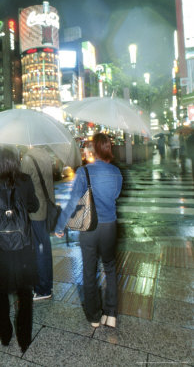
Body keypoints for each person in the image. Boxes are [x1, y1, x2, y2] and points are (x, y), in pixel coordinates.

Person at [55, 133, 123, 328]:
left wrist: (61, 226)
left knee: (89, 270)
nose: (85, 149)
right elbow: (115, 195)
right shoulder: (116, 172)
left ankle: (94, 316)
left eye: (87, 146)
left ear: (93, 150)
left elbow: (72, 203)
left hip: (90, 228)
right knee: (110, 269)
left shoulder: (84, 172)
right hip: (110, 226)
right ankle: (111, 314)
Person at [0, 146, 39, 352]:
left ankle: (5, 335)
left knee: (1, 292)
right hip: (23, 246)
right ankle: (24, 338)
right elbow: (34, 206)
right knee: (25, 292)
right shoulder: (25, 180)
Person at [21, 147, 55, 301]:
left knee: (39, 250)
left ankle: (43, 289)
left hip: (35, 212)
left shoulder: (28, 159)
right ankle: (47, 283)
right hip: (47, 208)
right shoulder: (46, 155)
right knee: (45, 248)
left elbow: (22, 187)